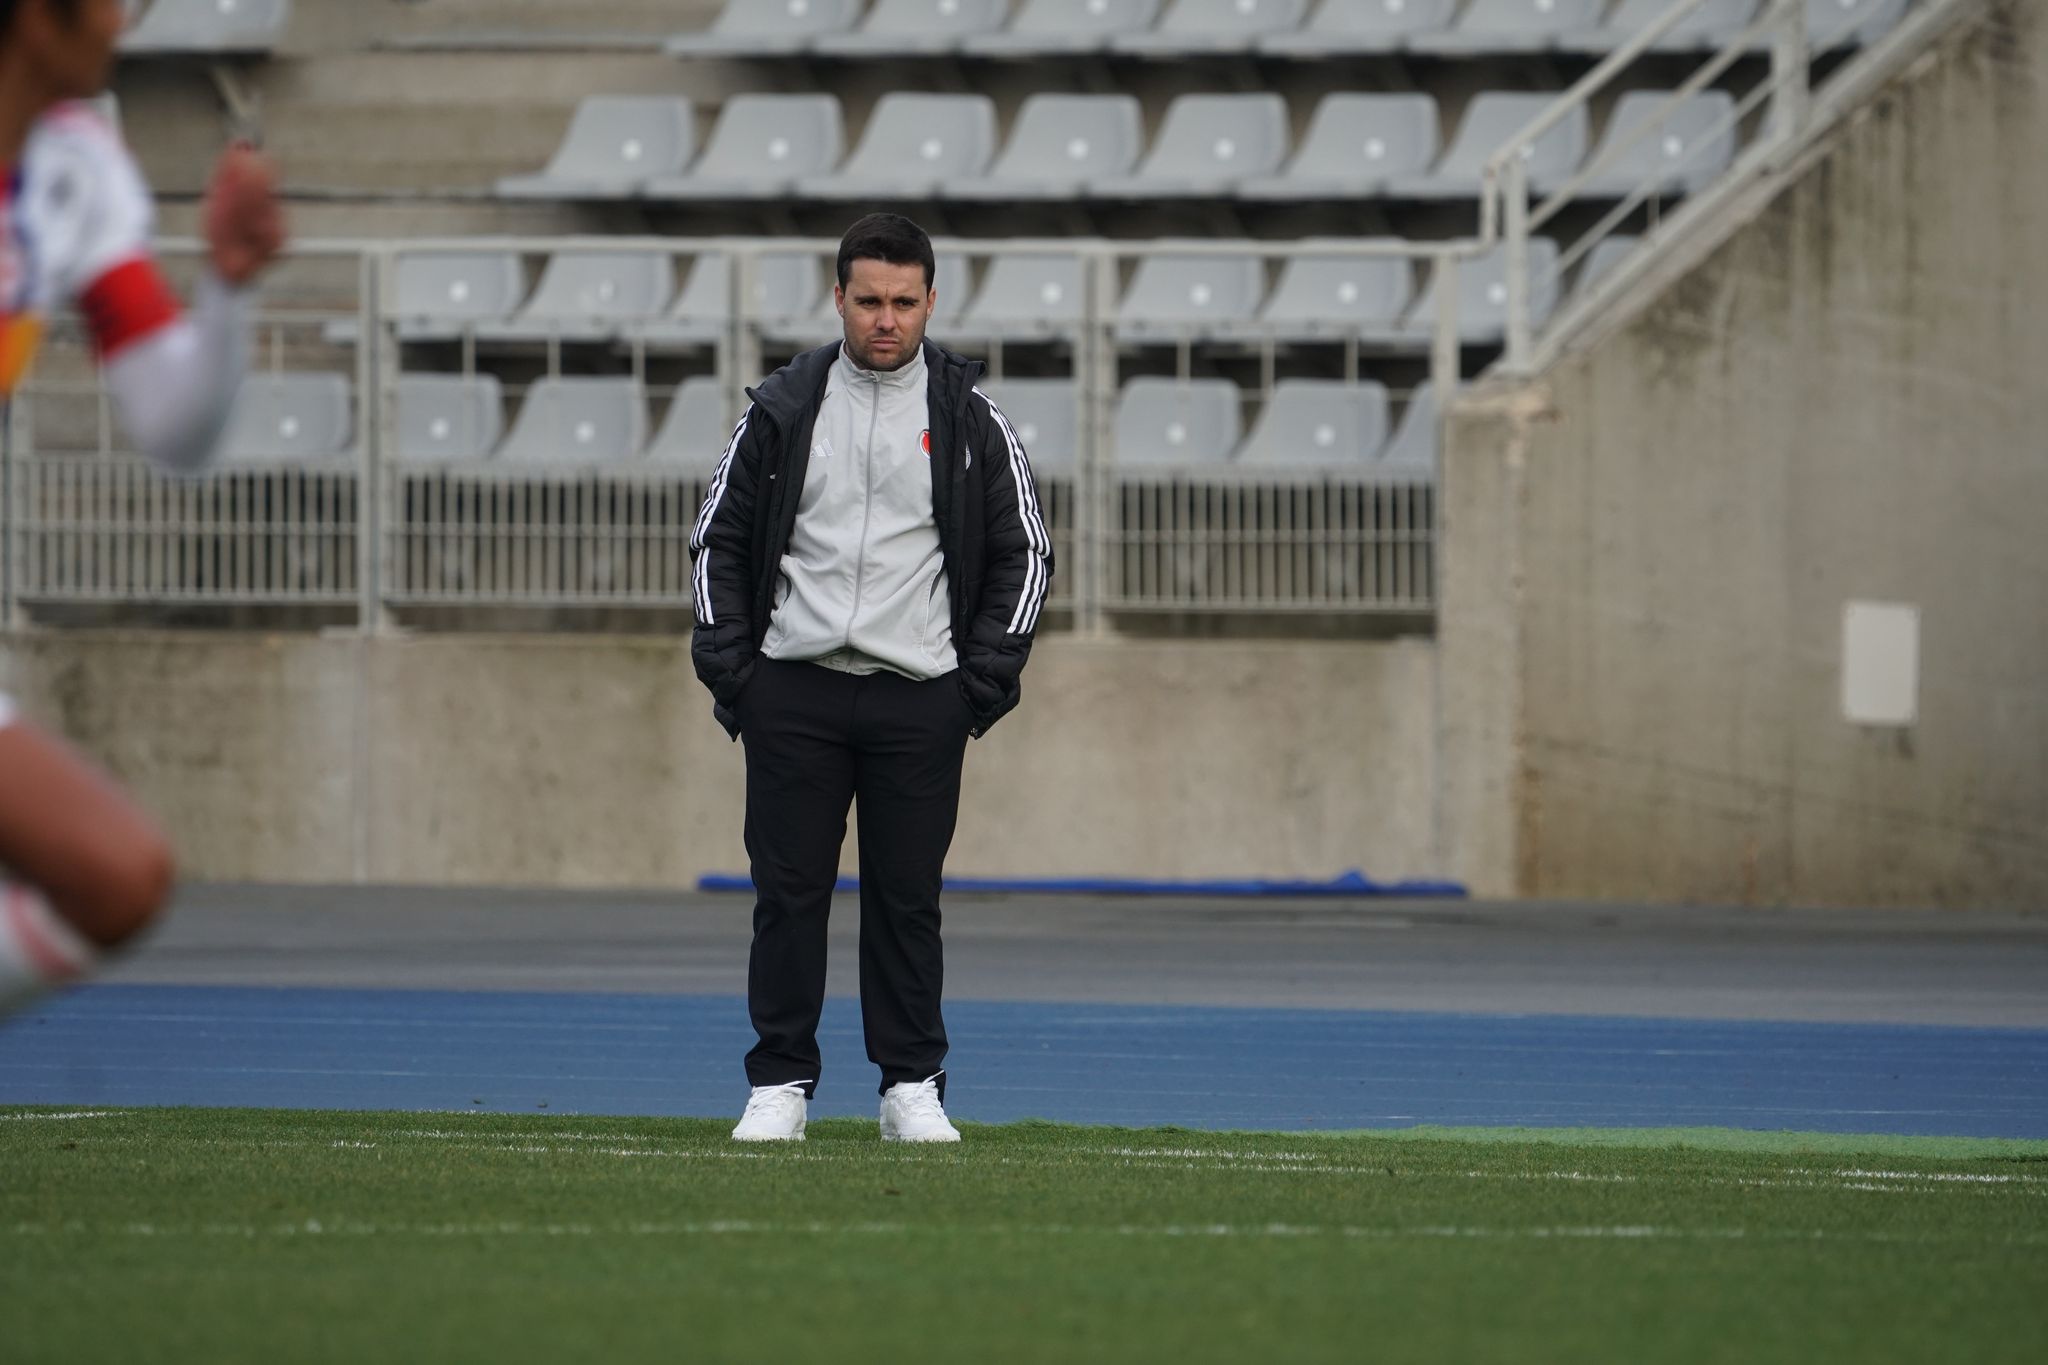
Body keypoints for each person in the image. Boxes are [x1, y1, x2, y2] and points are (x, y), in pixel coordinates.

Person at [690, 213, 1052, 1143]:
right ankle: (780, 1083)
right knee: (787, 895)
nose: (885, 320)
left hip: (919, 695)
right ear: (837, 298)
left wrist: (974, 688)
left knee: (906, 899)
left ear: (931, 301)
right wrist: (739, 675)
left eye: (903, 302)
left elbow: (1027, 551)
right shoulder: (782, 408)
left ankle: (910, 1086)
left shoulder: (971, 419)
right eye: (868, 301)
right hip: (792, 688)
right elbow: (717, 539)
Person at [0, 0, 285, 1017]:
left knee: (116, 875)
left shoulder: (73, 164)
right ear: (40, 20)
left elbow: (174, 428)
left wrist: (228, 291)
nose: (125, 19)